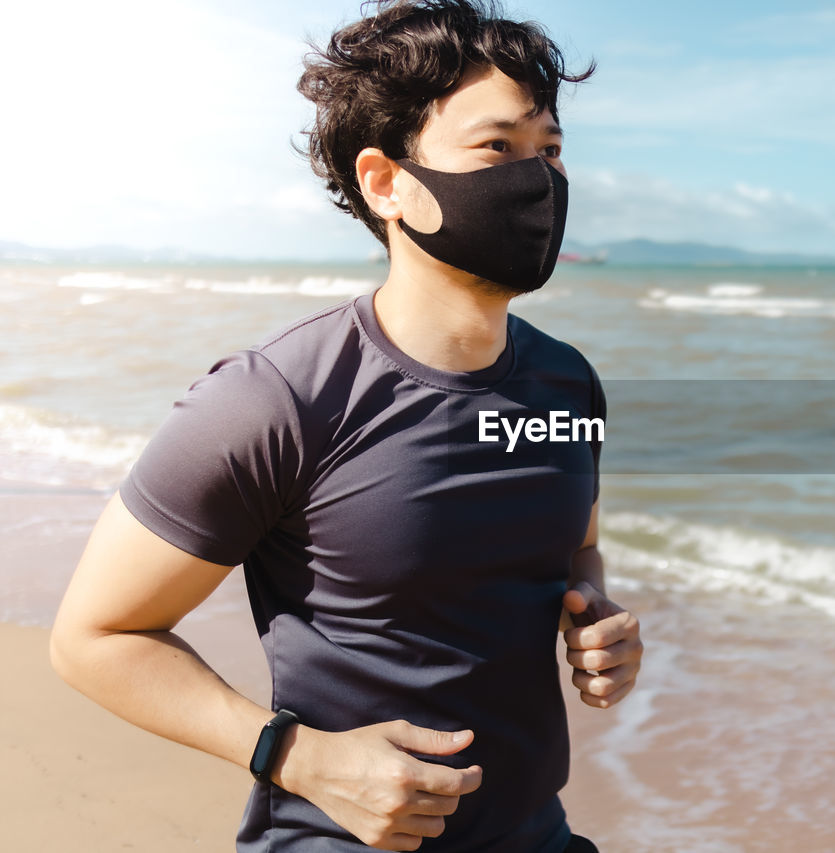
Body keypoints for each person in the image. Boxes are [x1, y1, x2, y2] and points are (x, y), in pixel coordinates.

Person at [48, 1, 642, 850]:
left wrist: (596, 620)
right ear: (385, 180)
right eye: (498, 147)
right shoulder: (277, 397)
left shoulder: (568, 384)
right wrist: (297, 757)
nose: (538, 179)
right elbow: (95, 636)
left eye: (550, 150)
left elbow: (574, 548)